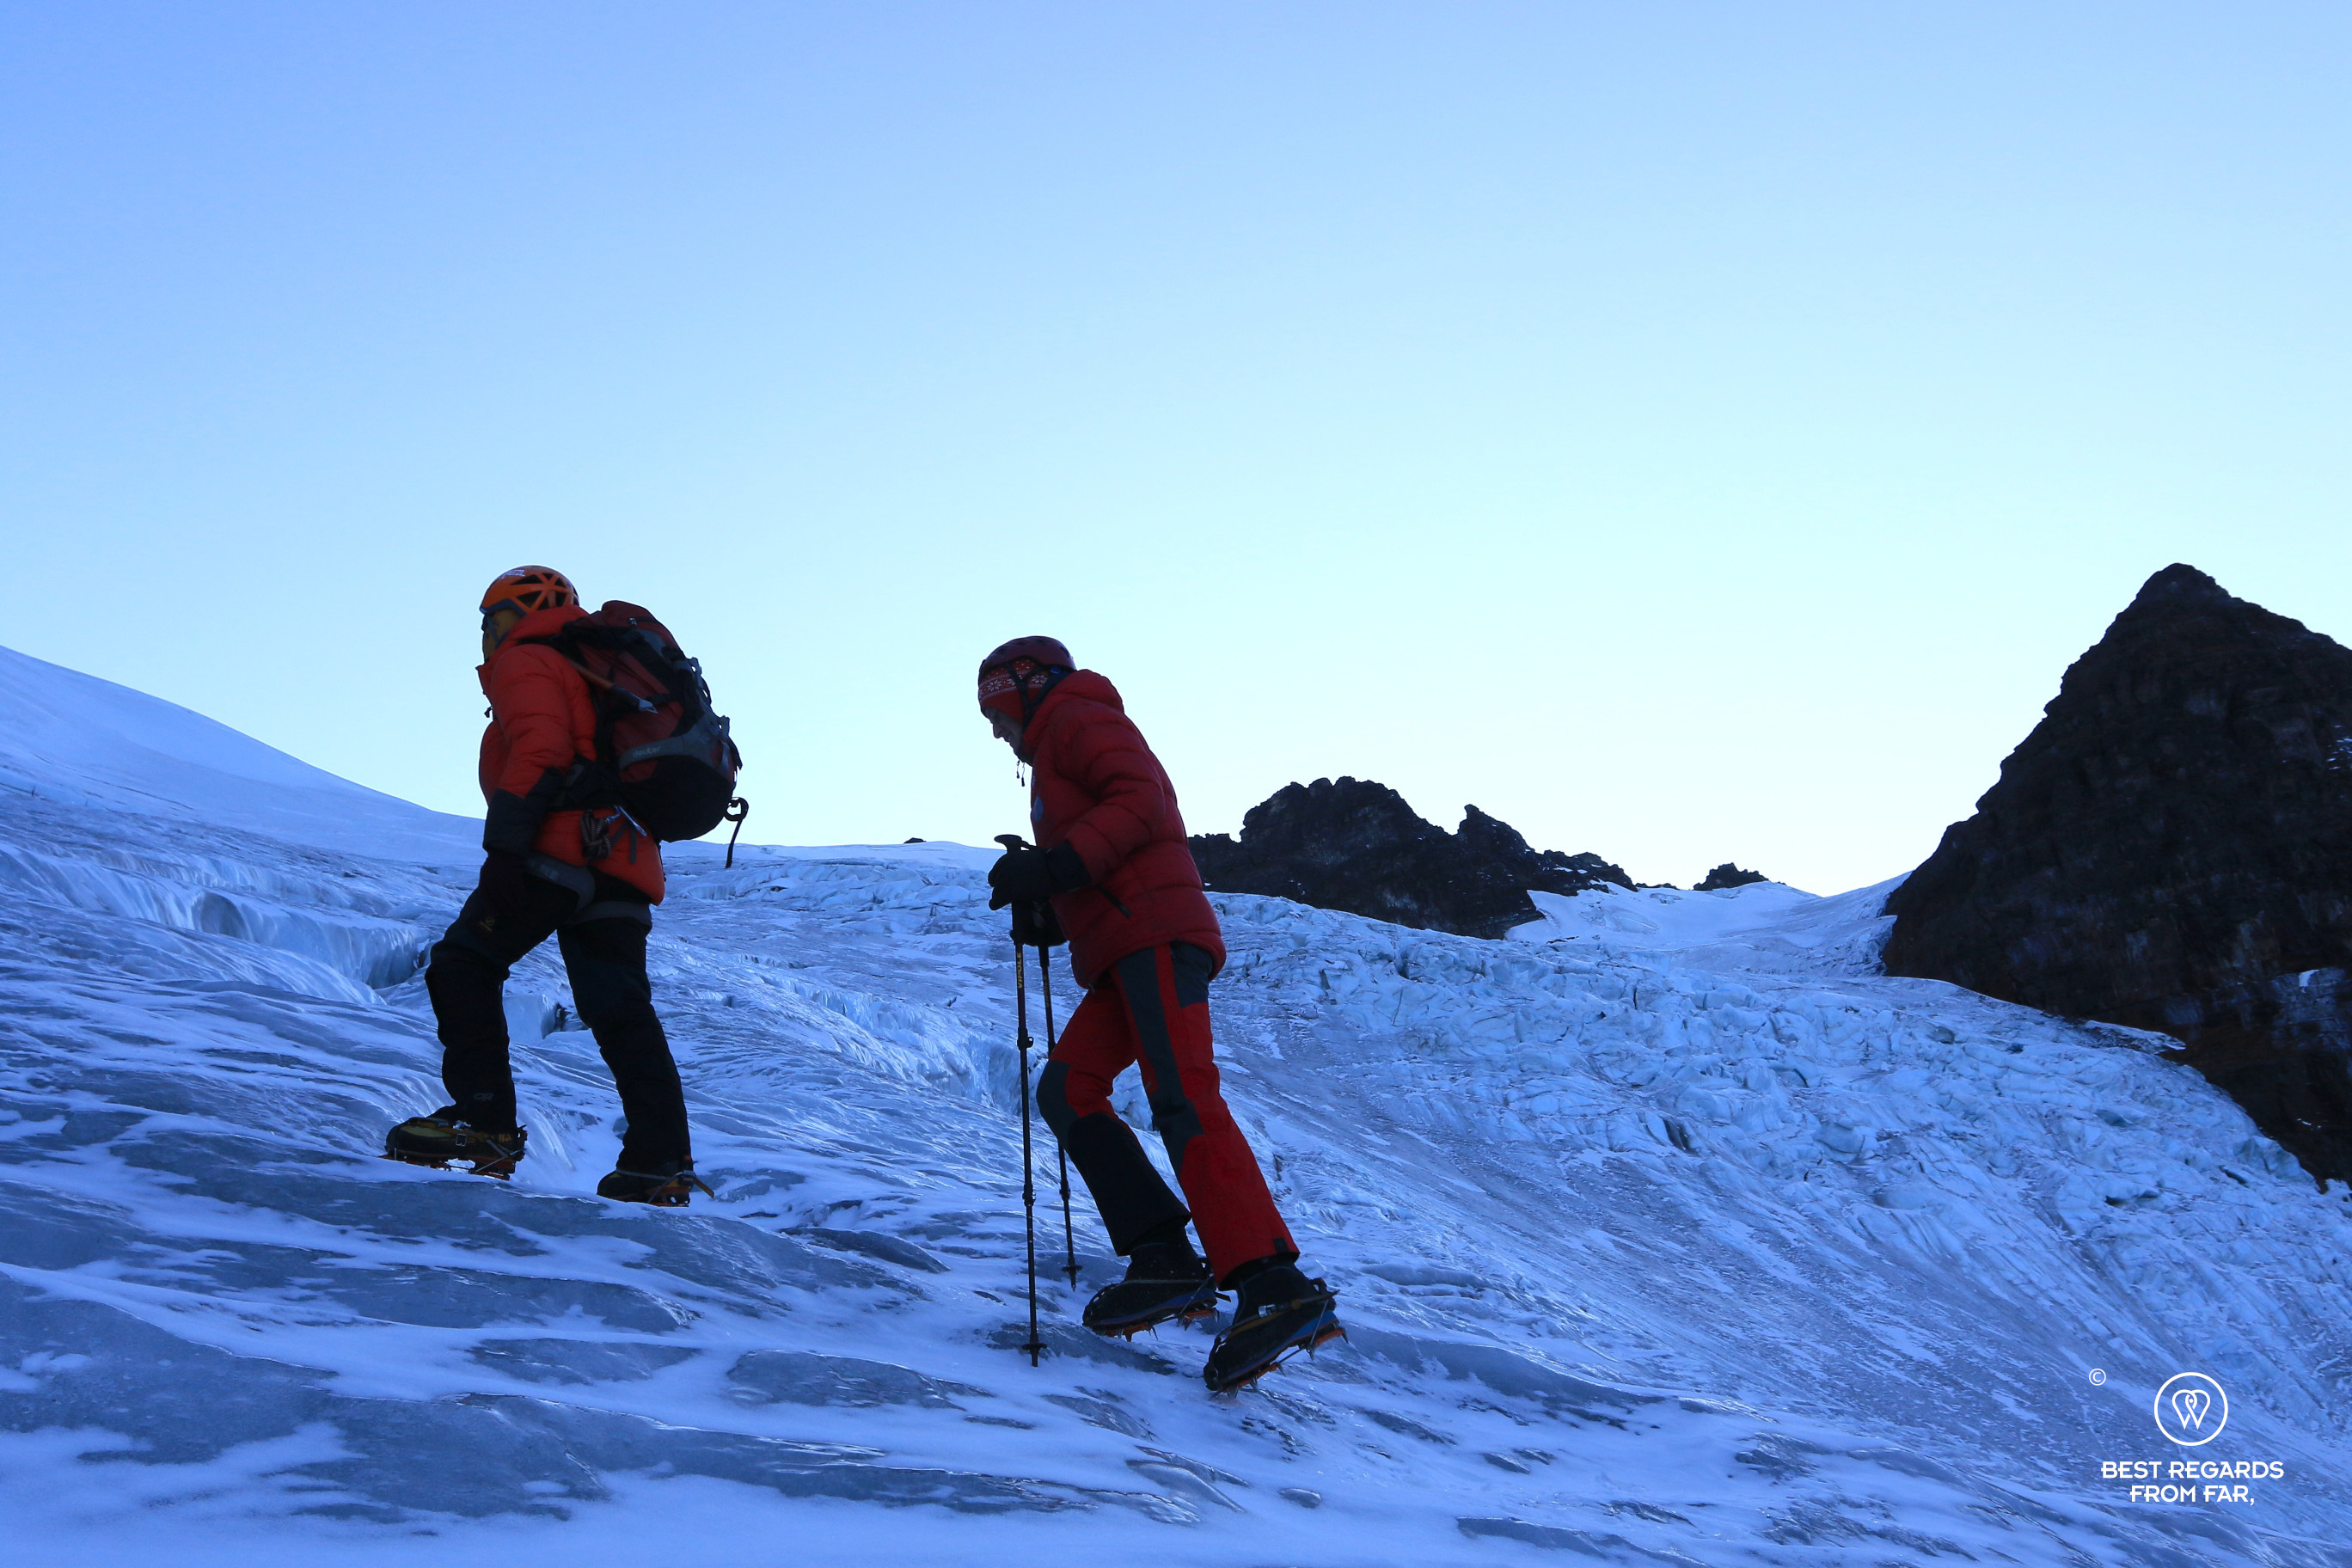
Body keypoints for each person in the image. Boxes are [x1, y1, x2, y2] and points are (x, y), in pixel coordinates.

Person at [978, 636, 1341, 1391]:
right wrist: (1050, 904)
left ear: (1022, 688)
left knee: (1182, 1095)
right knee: (1066, 1090)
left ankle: (1272, 1285)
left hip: (1155, 937)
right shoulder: (1054, 748)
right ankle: (1163, 1257)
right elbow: (1100, 851)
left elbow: (1143, 805)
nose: (994, 730)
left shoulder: (1079, 717)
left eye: (995, 711)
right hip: (1120, 947)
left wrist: (1055, 866)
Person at [384, 567, 703, 1205]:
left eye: (489, 619)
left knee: (462, 965)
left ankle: (484, 1125)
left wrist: (505, 848)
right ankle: (658, 1160)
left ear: (518, 614)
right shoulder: (590, 665)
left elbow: (542, 749)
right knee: (619, 1011)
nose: (485, 635)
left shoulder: (530, 655)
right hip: (623, 857)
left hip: (558, 846)